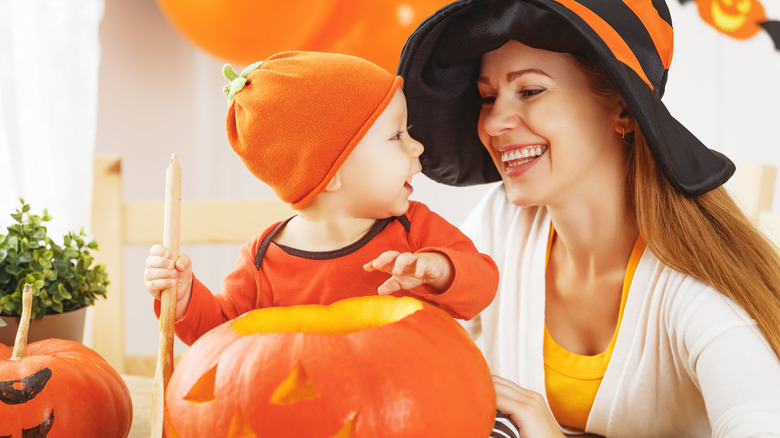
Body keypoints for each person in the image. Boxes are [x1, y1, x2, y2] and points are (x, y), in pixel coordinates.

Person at [398, 0, 780, 436]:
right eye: (488, 97)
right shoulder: (498, 227)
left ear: (621, 108)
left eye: (529, 91)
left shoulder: (699, 294)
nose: (494, 122)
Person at [143, 51, 498, 346]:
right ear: (332, 171)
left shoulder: (415, 230)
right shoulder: (263, 259)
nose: (416, 146)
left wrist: (443, 269)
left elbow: (482, 287)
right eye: (396, 136)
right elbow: (221, 338)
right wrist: (184, 296)